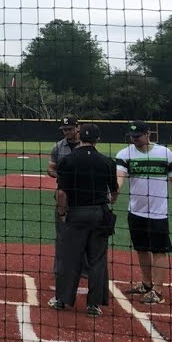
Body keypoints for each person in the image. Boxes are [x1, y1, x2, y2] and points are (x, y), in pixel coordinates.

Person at [49, 123, 119, 316]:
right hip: (99, 214)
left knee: (69, 257)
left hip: (76, 213)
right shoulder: (107, 162)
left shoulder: (68, 160)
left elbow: (61, 193)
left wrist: (62, 213)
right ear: (98, 139)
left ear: (80, 137)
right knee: (97, 260)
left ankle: (62, 300)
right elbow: (114, 193)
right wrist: (106, 201)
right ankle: (94, 305)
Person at [115, 120, 172, 305]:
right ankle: (146, 284)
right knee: (141, 248)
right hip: (135, 212)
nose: (134, 139)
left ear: (148, 135)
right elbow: (119, 178)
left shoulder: (165, 153)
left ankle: (158, 291)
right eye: (132, 136)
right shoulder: (124, 154)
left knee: (160, 250)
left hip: (158, 213)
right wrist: (114, 193)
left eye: (138, 136)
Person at [48, 115, 82, 273]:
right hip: (63, 196)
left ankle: (83, 268)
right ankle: (60, 268)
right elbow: (50, 168)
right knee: (62, 233)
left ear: (77, 127)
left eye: (69, 129)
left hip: (83, 196)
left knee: (83, 233)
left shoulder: (85, 145)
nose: (67, 132)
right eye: (64, 129)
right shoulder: (58, 147)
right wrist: (60, 176)